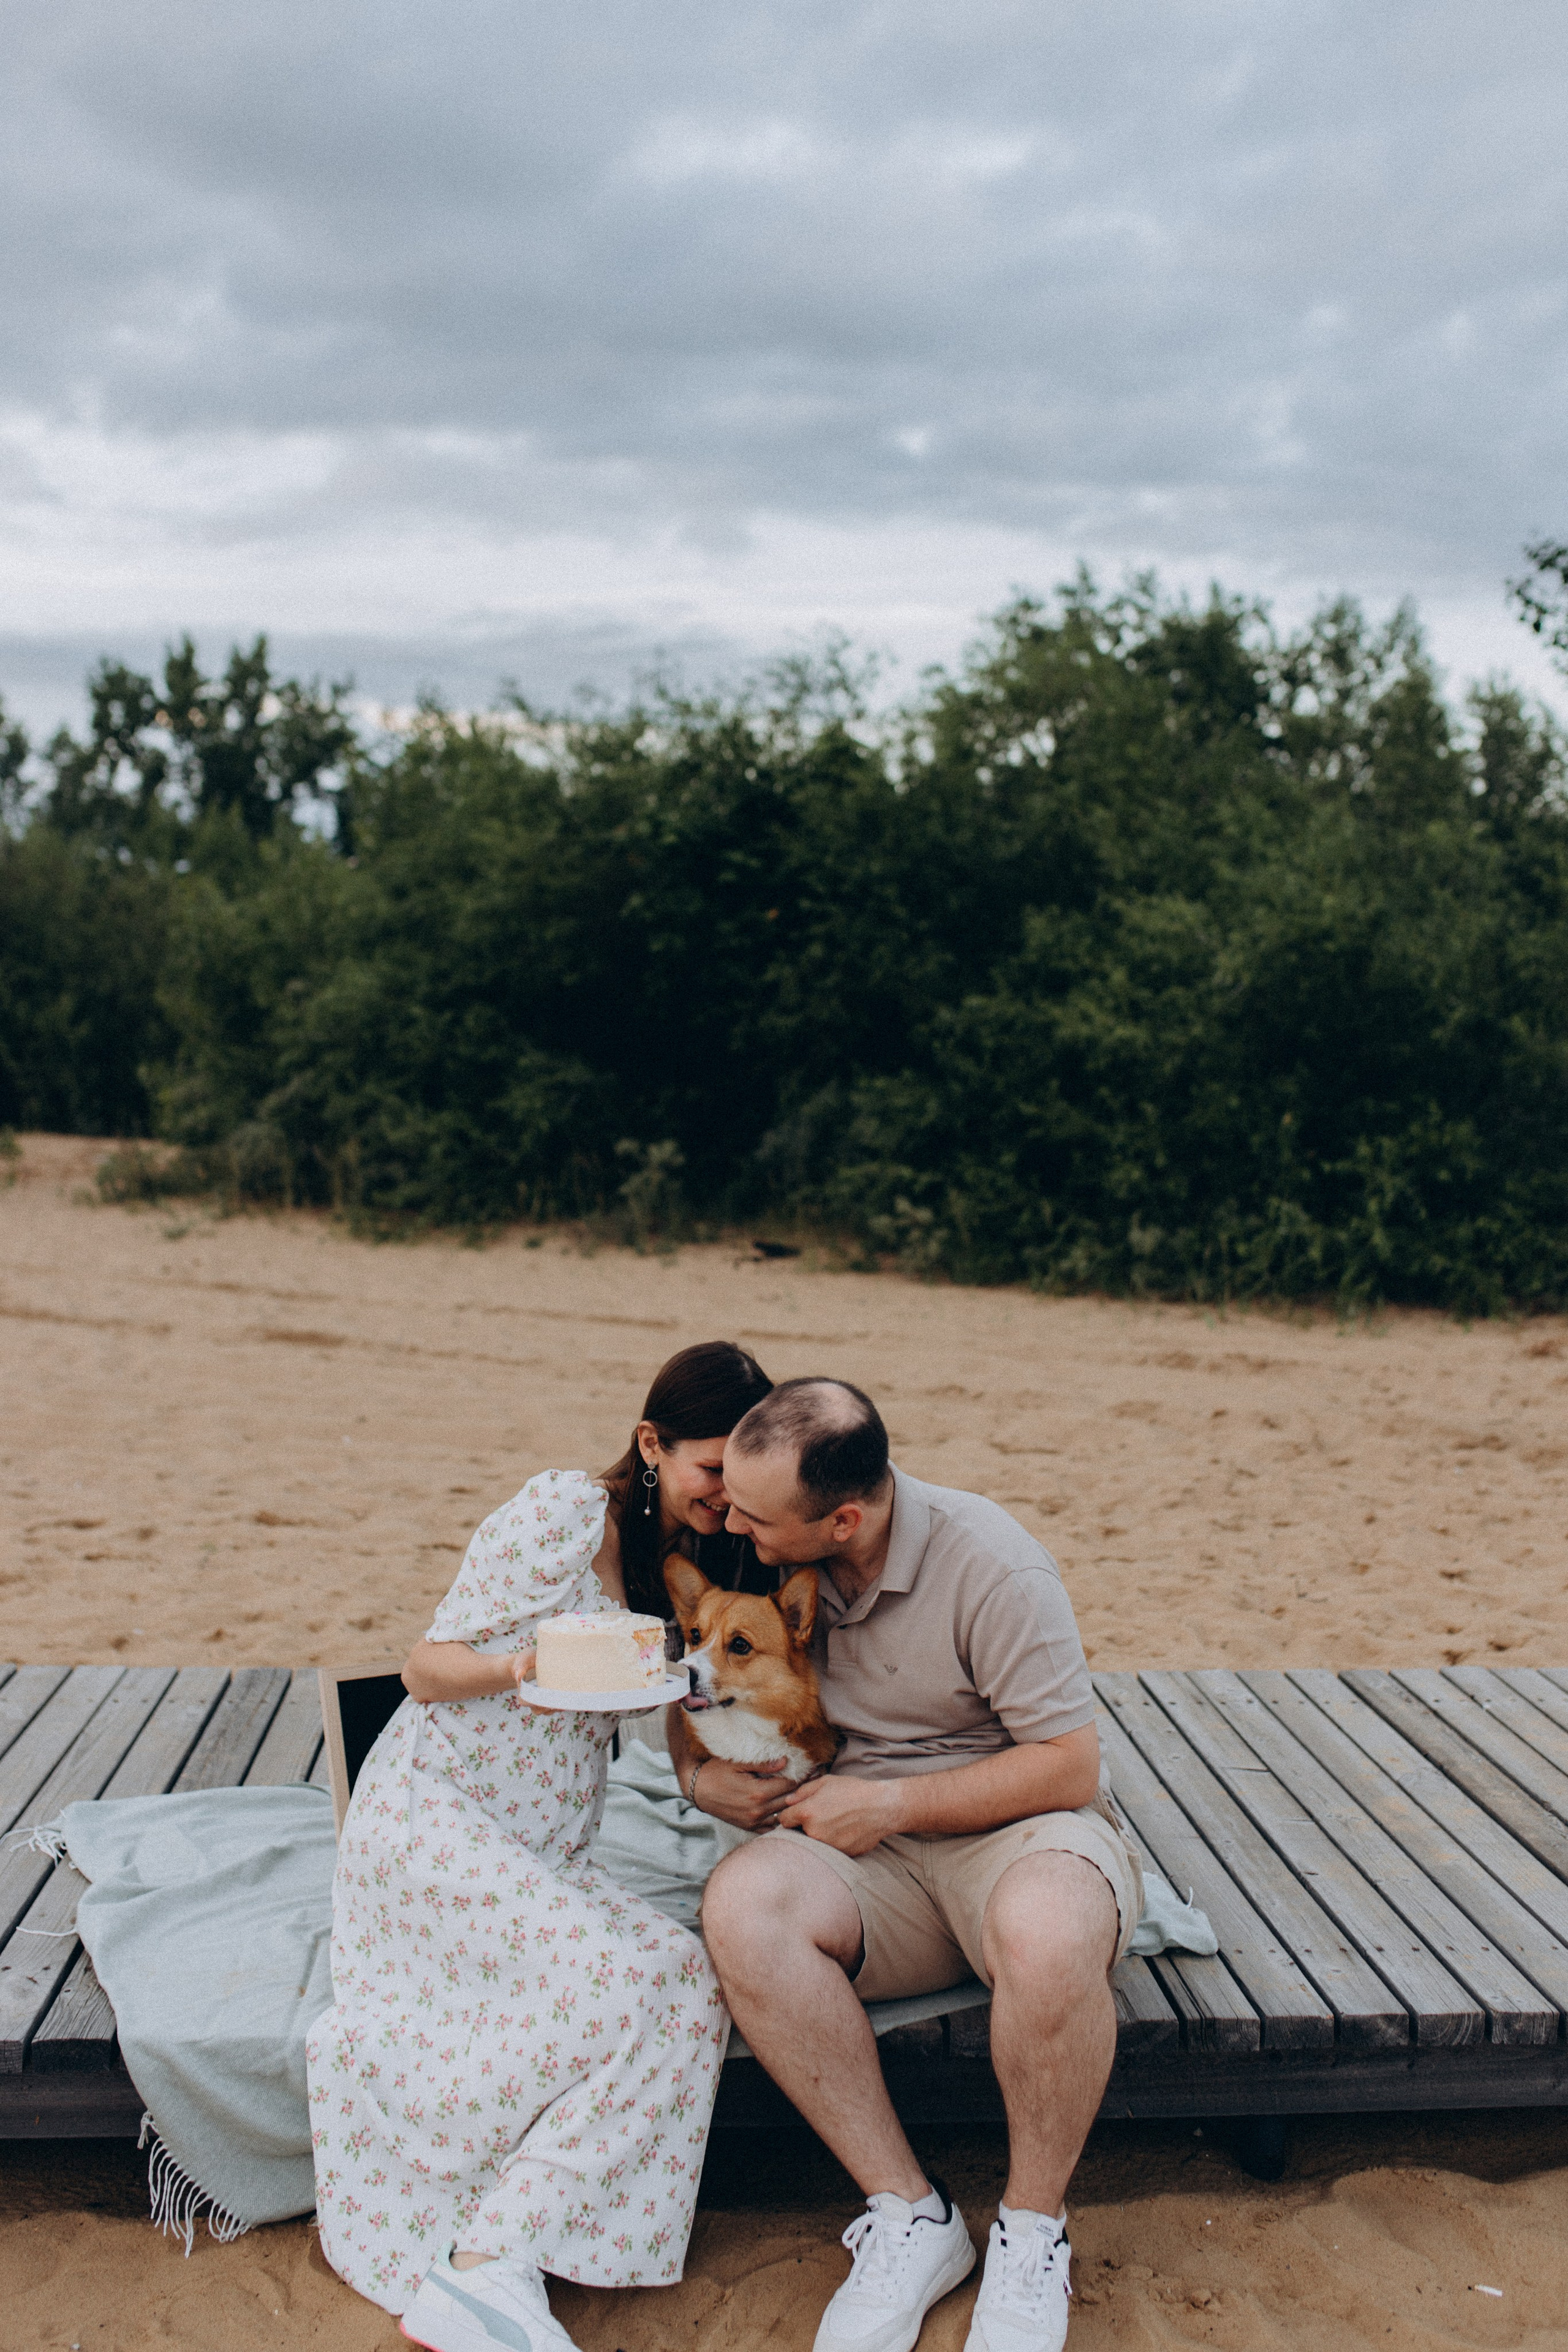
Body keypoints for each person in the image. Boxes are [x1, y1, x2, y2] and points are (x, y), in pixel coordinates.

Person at [305, 1340, 774, 2352]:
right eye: (710, 1470)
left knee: (686, 1980)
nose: (727, 1498)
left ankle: (498, 2255)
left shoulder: (704, 1552)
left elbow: (677, 1692)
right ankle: (487, 2268)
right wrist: (527, 1666)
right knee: (634, 1982)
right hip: (439, 1822)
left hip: (545, 1850)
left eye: (741, 1480)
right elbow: (424, 1669)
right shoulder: (565, 1514)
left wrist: (703, 1777)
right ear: (650, 1444)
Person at [701, 1378, 1142, 2352]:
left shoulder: (994, 1567)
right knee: (741, 1908)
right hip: (873, 1862)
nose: (731, 1524)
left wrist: (893, 1804)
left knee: (1050, 1933)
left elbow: (1069, 1765)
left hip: (1016, 1830)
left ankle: (1032, 2231)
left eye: (754, 1515)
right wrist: (699, 1779)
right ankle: (910, 2214)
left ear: (844, 1522)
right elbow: (681, 1674)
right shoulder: (761, 1544)